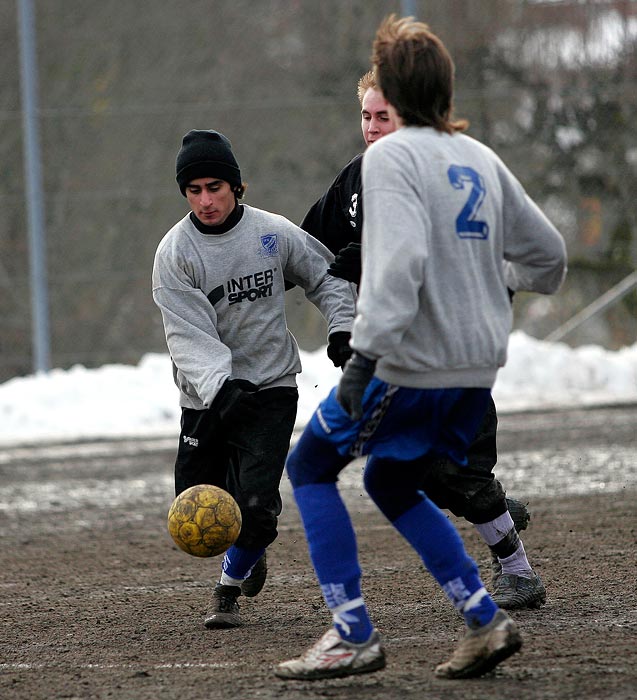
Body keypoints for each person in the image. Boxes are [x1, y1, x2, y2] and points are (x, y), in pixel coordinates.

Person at [275, 15, 567, 681]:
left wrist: (363, 362)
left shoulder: (389, 157)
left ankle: (351, 632)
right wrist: (482, 288)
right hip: (475, 369)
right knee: (389, 478)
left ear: (396, 97)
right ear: (446, 90)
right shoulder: (479, 158)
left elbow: (398, 267)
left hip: (409, 363)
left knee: (312, 467)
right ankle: (483, 618)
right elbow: (547, 261)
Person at [300, 69, 544, 612]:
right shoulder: (357, 179)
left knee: (445, 472)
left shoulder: (440, 175)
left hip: (449, 351)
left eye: (382, 116)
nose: (371, 127)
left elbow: (489, 254)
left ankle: (517, 570)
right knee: (411, 474)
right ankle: (493, 514)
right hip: (391, 359)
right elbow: (310, 247)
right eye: (365, 115)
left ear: (408, 115)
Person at [152, 129, 356, 630]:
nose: (206, 200)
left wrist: (343, 326)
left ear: (237, 186)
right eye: (194, 190)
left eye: (215, 187)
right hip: (208, 397)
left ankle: (228, 589)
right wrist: (220, 386)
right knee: (198, 507)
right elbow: (188, 336)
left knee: (258, 507)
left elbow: (326, 274)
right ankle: (246, 547)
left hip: (270, 388)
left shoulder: (273, 233)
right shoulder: (175, 254)